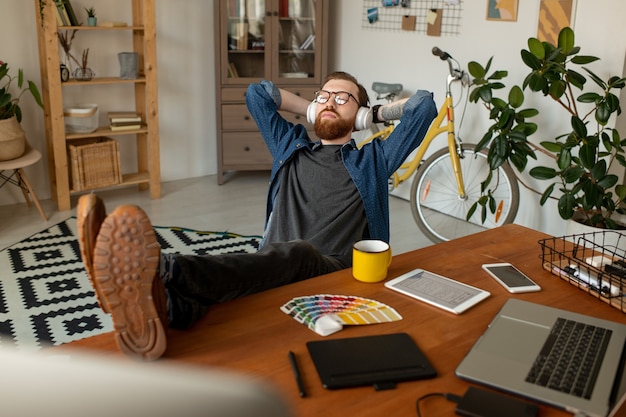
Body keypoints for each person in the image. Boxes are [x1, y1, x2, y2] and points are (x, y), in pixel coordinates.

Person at [78, 72, 437, 360]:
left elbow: (423, 106)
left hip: (329, 271)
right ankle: (169, 306)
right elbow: (257, 94)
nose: (330, 102)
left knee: (298, 253)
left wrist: (371, 115)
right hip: (273, 262)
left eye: (343, 98)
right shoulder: (291, 146)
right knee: (259, 264)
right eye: (323, 96)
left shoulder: (372, 161)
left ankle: (160, 269)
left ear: (358, 113)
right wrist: (315, 108)